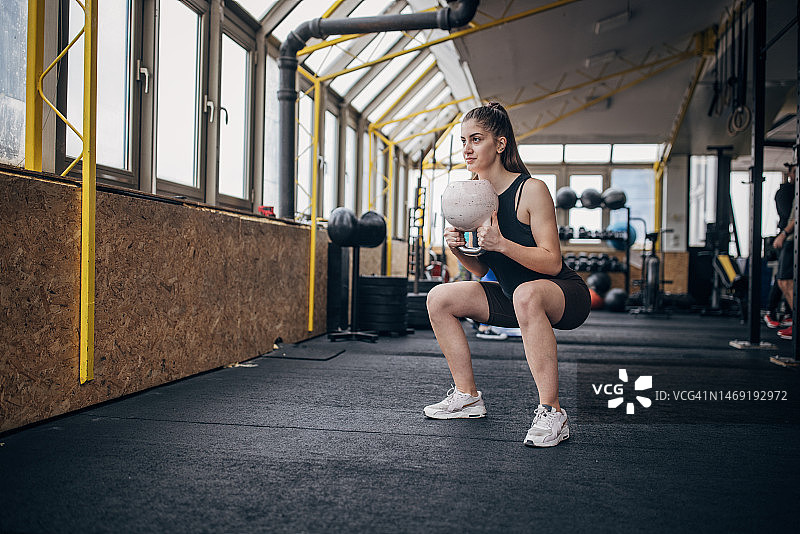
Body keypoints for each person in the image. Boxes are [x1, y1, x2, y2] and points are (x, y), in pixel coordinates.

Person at [423, 102, 591, 448]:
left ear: (500, 144)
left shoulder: (531, 190)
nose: (467, 148)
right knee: (439, 298)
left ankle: (553, 412)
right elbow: (485, 268)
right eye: (463, 140)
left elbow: (552, 262)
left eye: (476, 139)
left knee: (527, 293)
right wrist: (457, 249)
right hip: (513, 295)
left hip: (563, 295)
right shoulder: (474, 194)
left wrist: (501, 243)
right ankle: (467, 397)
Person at [770, 164, 796, 339]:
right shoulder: (787, 192)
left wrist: (784, 233)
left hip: (790, 238)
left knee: (785, 282)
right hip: (788, 238)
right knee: (783, 282)